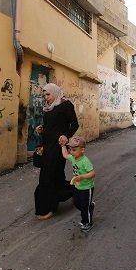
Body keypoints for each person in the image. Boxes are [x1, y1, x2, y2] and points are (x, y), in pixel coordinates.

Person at [34, 83, 79, 220]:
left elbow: (74, 124)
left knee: (46, 177)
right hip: (47, 146)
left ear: (55, 92)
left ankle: (48, 207)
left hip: (58, 147)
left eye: (48, 94)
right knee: (56, 177)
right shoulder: (48, 108)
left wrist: (66, 135)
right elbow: (52, 125)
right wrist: (42, 128)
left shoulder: (66, 105)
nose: (46, 97)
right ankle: (75, 190)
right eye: (44, 95)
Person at [60, 135, 95, 231]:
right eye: (70, 149)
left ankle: (87, 223)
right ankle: (90, 206)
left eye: (74, 150)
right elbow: (65, 155)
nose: (71, 152)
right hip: (77, 186)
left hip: (87, 188)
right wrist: (63, 146)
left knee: (84, 208)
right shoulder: (73, 157)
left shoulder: (85, 161)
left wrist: (82, 177)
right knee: (76, 203)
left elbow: (92, 173)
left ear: (82, 150)